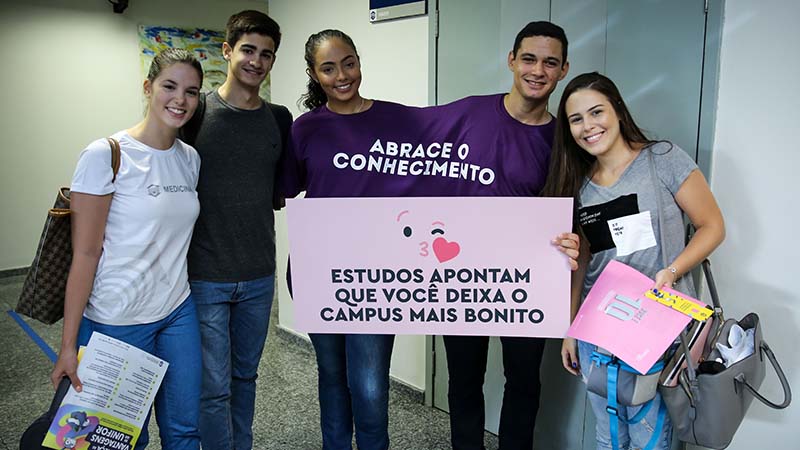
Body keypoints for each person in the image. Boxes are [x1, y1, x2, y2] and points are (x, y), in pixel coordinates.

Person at [281, 24, 579, 450]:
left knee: (516, 382)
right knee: (348, 377)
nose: (538, 70)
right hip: (367, 273)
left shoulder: (560, 139)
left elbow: (574, 202)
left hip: (495, 278)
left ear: (563, 69)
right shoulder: (307, 128)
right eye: (328, 68)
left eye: (550, 62)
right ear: (511, 60)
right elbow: (285, 189)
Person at [542, 72, 725, 450]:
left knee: (652, 434)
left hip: (659, 326)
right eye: (576, 119)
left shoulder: (662, 159)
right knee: (608, 433)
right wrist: (571, 328)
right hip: (600, 329)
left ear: (618, 111)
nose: (588, 126)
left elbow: (713, 226)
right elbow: (585, 262)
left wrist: (672, 271)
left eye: (597, 112)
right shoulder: (577, 182)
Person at [50, 48, 204, 450]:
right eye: (169, 86)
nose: (180, 100)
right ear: (148, 87)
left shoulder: (190, 159)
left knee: (185, 430)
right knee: (120, 439)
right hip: (118, 318)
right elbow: (85, 255)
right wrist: (68, 347)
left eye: (191, 91)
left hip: (177, 311)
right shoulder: (106, 155)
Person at [182, 10, 291, 450]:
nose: (256, 61)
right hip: (205, 275)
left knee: (246, 377)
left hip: (259, 274)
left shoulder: (280, 119)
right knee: (214, 387)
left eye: (267, 54)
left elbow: (279, 191)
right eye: (248, 50)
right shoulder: (198, 111)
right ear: (227, 51)